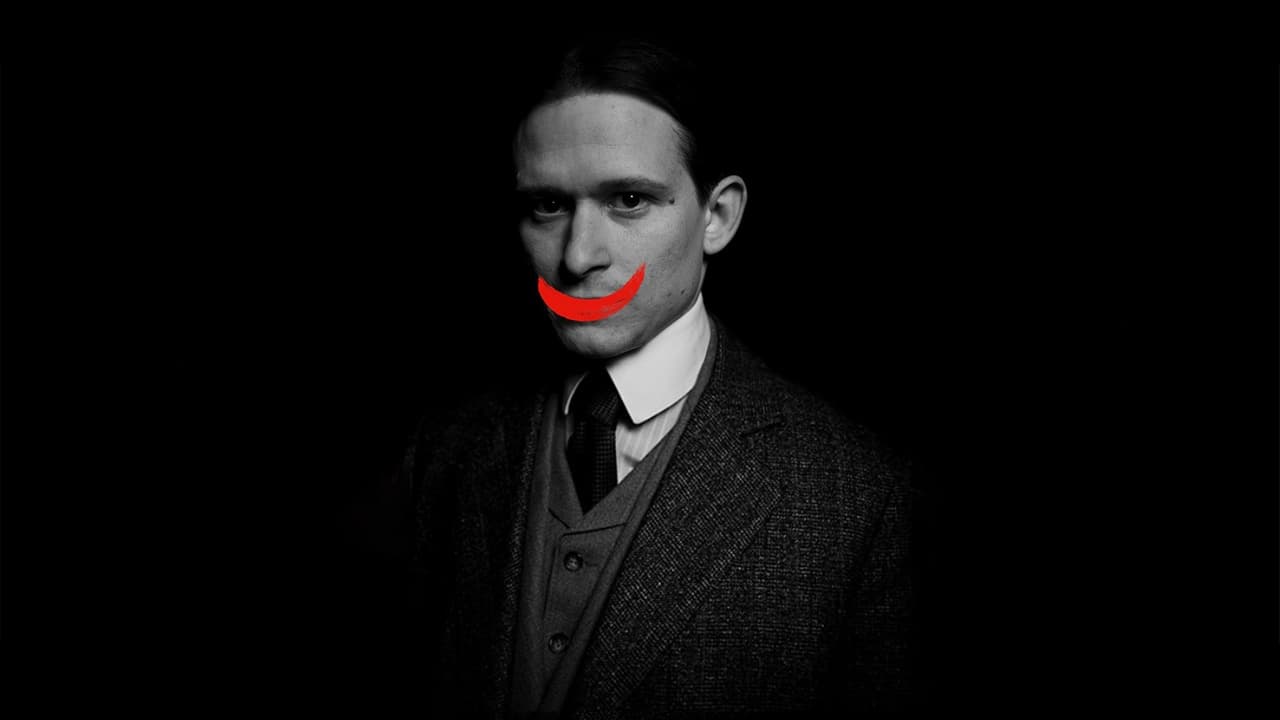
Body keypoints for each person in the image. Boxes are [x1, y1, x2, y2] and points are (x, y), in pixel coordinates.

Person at [371, 38, 916, 716]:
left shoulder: (859, 498)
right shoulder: (445, 446)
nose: (578, 257)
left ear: (718, 216)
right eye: (547, 206)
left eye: (628, 199)